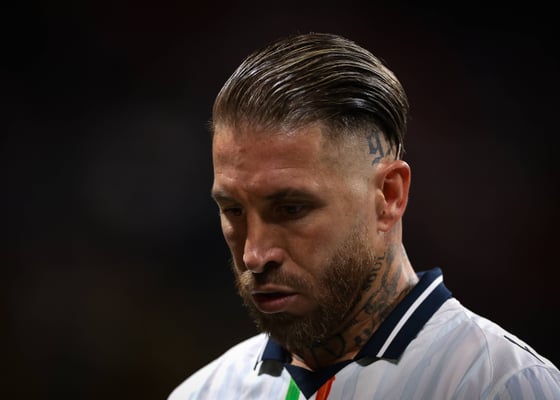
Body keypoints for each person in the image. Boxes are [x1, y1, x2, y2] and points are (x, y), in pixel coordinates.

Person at [168, 32, 560, 399]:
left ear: (389, 196)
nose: (254, 255)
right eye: (233, 210)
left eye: (291, 209)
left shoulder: (500, 385)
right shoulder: (204, 393)